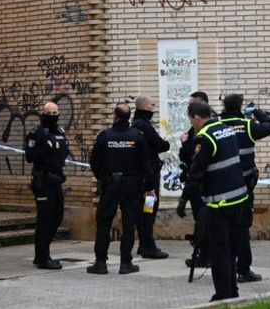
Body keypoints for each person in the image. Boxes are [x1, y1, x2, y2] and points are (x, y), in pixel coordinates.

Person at [180, 100, 248, 301]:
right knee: (232, 249)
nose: (192, 124)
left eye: (191, 120)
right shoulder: (226, 130)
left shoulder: (205, 137)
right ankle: (233, 291)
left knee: (219, 251)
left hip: (220, 204)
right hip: (239, 198)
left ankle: (222, 294)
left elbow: (196, 172)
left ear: (196, 117)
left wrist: (184, 199)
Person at [87, 103, 155, 275]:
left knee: (104, 224)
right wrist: (149, 187)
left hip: (110, 185)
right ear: (128, 117)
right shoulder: (137, 136)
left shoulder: (105, 136)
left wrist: (102, 178)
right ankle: (126, 263)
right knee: (129, 224)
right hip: (132, 187)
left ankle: (100, 263)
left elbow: (94, 161)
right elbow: (146, 164)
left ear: (114, 116)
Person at [219, 94, 270, 283]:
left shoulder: (217, 126)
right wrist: (256, 111)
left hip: (221, 185)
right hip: (244, 186)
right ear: (241, 106)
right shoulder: (248, 125)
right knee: (242, 227)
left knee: (223, 227)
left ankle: (224, 269)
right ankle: (243, 270)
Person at [24, 102, 69, 270]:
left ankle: (41, 253)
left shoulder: (60, 131)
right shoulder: (37, 134)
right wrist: (45, 148)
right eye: (49, 113)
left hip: (56, 180)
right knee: (45, 219)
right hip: (42, 181)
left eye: (55, 112)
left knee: (57, 217)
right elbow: (30, 156)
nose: (53, 116)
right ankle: (43, 258)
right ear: (43, 114)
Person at [132, 95, 171, 259]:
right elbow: (161, 144)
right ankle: (148, 246)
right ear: (145, 107)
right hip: (149, 179)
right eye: (152, 105)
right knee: (149, 210)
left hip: (142, 177)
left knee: (144, 211)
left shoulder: (135, 124)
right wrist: (165, 142)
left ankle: (143, 244)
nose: (154, 108)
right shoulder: (144, 125)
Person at [178, 91, 213, 268]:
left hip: (203, 187)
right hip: (201, 185)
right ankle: (204, 253)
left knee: (203, 222)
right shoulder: (199, 129)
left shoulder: (204, 133)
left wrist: (185, 143)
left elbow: (194, 159)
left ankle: (205, 255)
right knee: (202, 221)